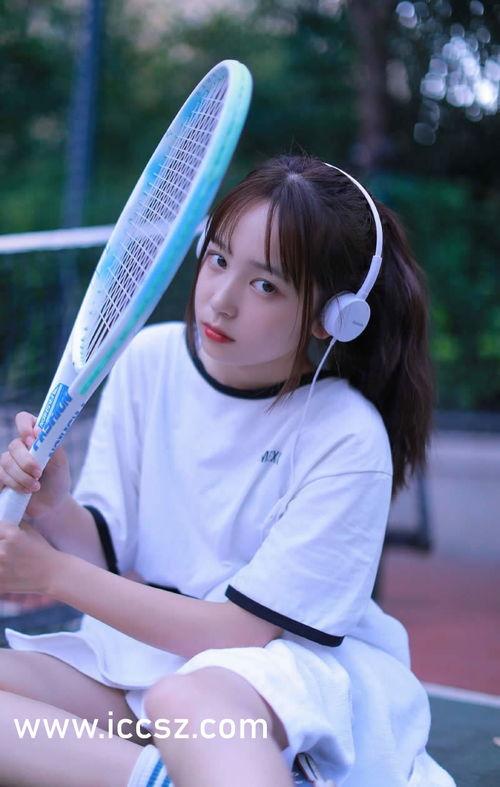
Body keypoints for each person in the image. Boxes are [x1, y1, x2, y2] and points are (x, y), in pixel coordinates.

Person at [0, 154, 456, 787]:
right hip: (146, 663)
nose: (220, 300)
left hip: (270, 686)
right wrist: (56, 509)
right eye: (217, 259)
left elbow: (241, 633)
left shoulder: (348, 437)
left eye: (266, 285)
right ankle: (163, 777)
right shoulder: (149, 361)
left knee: (188, 703)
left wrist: (51, 573)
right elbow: (108, 554)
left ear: (333, 316)